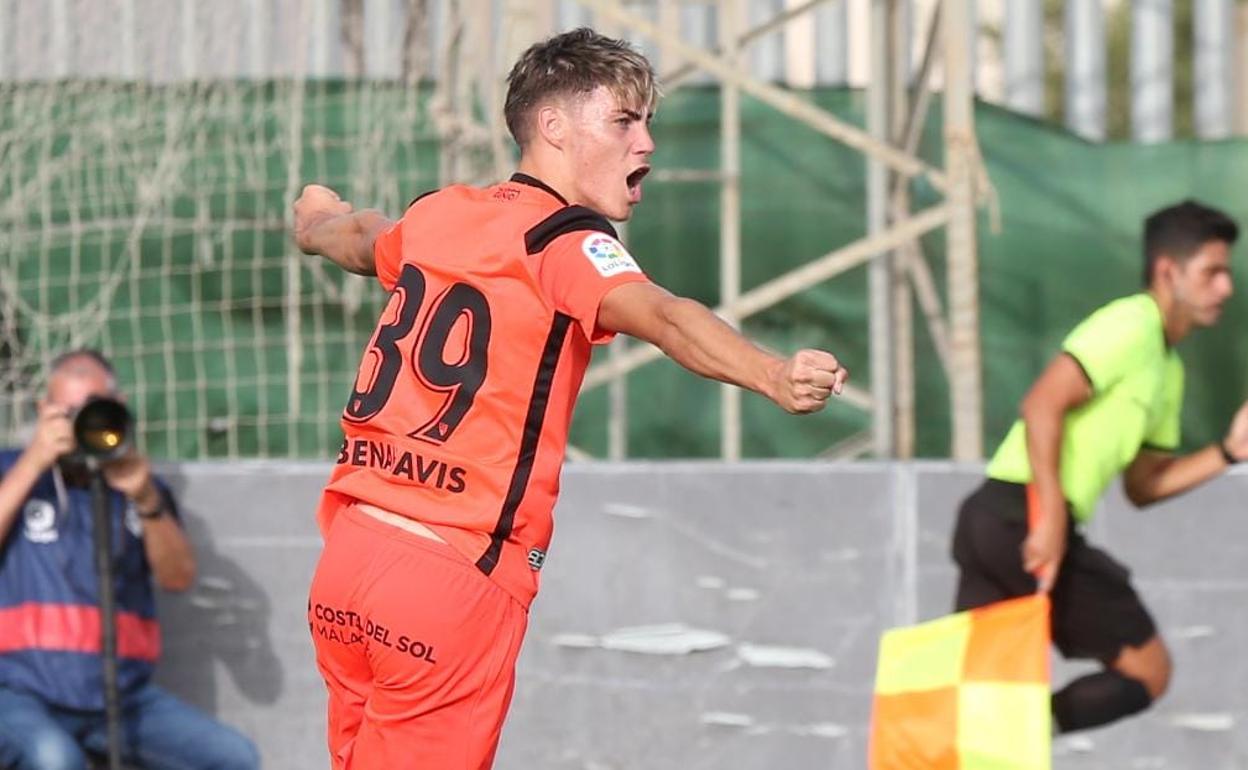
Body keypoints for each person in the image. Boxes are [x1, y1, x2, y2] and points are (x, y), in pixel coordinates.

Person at [293, 27, 849, 770]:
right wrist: (771, 373)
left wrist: (314, 221)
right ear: (552, 127)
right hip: (448, 573)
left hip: (350, 559)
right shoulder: (562, 239)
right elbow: (666, 315)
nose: (645, 141)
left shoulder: (442, 212)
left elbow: (362, 234)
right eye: (624, 121)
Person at [951, 199, 1248, 734]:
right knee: (1147, 670)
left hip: (1003, 521)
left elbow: (1145, 485)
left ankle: (1003, 733)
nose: (1225, 288)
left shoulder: (1168, 368)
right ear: (1167, 271)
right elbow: (1043, 403)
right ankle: (1013, 732)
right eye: (1213, 272)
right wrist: (1053, 521)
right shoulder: (1131, 324)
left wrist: (1229, 451)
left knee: (981, 709)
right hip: (1022, 516)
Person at [0, 350, 260, 770]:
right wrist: (35, 460)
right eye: (68, 412)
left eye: (93, 410)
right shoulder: (12, 470)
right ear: (43, 410)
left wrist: (145, 498)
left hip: (120, 697)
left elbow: (178, 577)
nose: (81, 424)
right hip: (19, 690)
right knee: (56, 760)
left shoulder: (139, 485)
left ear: (117, 408)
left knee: (234, 758)